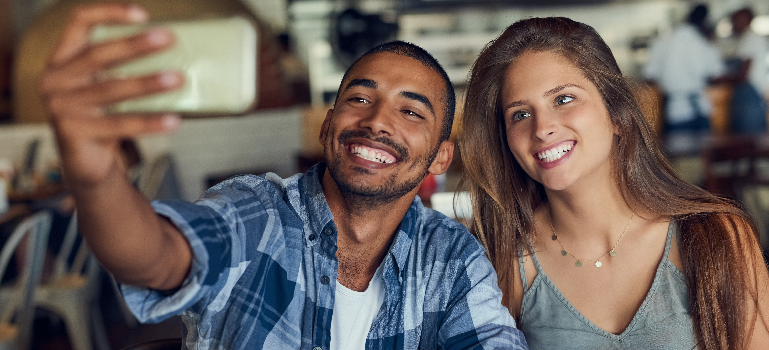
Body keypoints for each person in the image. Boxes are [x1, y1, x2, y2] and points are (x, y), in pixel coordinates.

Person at [39, 3, 527, 349]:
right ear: (328, 126)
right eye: (360, 98)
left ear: (440, 158)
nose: (378, 121)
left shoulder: (452, 259)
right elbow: (156, 259)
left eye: (411, 112)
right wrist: (96, 178)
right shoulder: (257, 212)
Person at [459, 17, 769, 349]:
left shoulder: (718, 237)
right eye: (520, 114)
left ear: (617, 113)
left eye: (564, 99)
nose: (542, 128)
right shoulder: (505, 260)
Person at [642, 4, 725, 135]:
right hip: (700, 108)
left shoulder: (661, 42)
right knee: (705, 153)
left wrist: (668, 88)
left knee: (681, 154)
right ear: (704, 22)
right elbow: (716, 76)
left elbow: (649, 77)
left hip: (675, 111)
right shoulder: (704, 43)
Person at [727, 7, 769, 134]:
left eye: (737, 20)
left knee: (747, 139)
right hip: (754, 94)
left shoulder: (750, 39)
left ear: (748, 19)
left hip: (748, 95)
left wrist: (721, 78)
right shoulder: (751, 38)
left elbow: (743, 75)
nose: (734, 24)